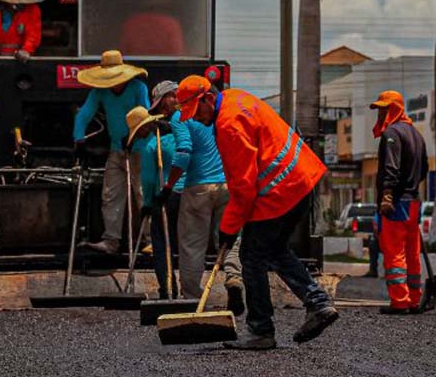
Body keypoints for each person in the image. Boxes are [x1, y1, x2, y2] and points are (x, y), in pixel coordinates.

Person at [176, 75, 338, 350]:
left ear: (206, 98)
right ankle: (318, 302)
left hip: (279, 190)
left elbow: (243, 189)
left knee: (251, 256)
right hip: (300, 179)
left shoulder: (228, 125)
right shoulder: (235, 97)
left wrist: (227, 229)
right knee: (273, 250)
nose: (197, 119)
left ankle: (261, 330)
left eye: (196, 111)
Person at [150, 80, 244, 315]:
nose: (163, 111)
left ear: (174, 96)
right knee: (228, 238)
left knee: (192, 246)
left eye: (162, 104)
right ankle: (234, 277)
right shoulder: (215, 112)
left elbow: (183, 153)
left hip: (197, 188)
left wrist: (169, 186)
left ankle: (192, 299)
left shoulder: (179, 117)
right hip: (227, 184)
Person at [74, 50, 150, 253]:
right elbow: (84, 114)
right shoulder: (100, 91)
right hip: (116, 149)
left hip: (140, 149)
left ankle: (150, 240)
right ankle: (111, 241)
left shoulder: (137, 87)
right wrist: (79, 138)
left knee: (142, 193)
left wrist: (134, 136)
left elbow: (145, 117)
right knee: (111, 194)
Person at [368, 91, 428, 315]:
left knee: (394, 253)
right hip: (413, 202)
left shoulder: (392, 133)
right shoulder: (416, 134)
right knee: (412, 253)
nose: (381, 113)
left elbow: (390, 168)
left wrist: (387, 195)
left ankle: (400, 301)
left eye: (384, 108)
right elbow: (423, 169)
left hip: (396, 203)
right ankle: (414, 299)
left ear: (394, 109)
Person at [127, 106, 181, 298]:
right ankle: (189, 290)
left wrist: (148, 204)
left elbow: (149, 180)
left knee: (161, 244)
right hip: (186, 194)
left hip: (164, 196)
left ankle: (167, 288)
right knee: (186, 244)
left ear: (145, 127)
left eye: (139, 131)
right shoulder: (177, 139)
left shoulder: (151, 146)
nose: (139, 135)